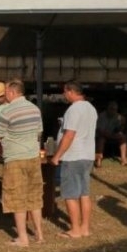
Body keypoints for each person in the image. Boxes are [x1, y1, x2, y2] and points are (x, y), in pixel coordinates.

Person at [0, 79, 44, 246]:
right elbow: (39, 132)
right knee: (34, 195)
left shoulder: (7, 111)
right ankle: (39, 234)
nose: (4, 95)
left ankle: (23, 238)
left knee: (16, 197)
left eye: (6, 92)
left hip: (15, 158)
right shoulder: (35, 109)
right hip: (33, 156)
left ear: (12, 92)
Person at [51, 80, 97, 239]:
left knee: (70, 194)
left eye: (64, 92)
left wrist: (57, 156)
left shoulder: (73, 110)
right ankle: (85, 227)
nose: (64, 95)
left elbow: (69, 135)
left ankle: (75, 229)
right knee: (84, 193)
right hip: (87, 154)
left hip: (73, 155)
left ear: (71, 91)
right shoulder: (91, 108)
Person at [94, 100, 127, 167]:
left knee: (123, 137)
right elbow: (100, 131)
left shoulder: (117, 117)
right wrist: (111, 135)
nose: (113, 111)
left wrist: (122, 125)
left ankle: (123, 159)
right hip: (101, 135)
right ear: (108, 109)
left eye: (114, 109)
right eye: (111, 109)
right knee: (101, 139)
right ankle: (98, 160)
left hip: (111, 134)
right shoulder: (102, 116)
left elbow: (118, 128)